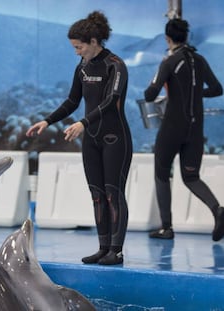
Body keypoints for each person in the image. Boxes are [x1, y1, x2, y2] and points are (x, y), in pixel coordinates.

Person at [26, 11, 132, 265]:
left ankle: (116, 250)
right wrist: (47, 120)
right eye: (74, 47)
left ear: (94, 41)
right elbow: (73, 100)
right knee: (96, 194)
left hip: (114, 138)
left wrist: (84, 123)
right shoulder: (83, 67)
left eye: (79, 46)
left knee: (112, 193)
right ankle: (103, 246)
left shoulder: (115, 65)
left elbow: (111, 101)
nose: (76, 52)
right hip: (91, 140)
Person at [144, 18, 224, 241]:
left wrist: (159, 78)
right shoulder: (199, 59)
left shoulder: (170, 61)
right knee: (191, 177)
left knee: (161, 174)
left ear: (168, 39)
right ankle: (217, 209)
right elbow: (217, 89)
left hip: (172, 127)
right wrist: (196, 94)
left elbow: (150, 94)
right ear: (186, 37)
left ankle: (166, 227)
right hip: (195, 129)